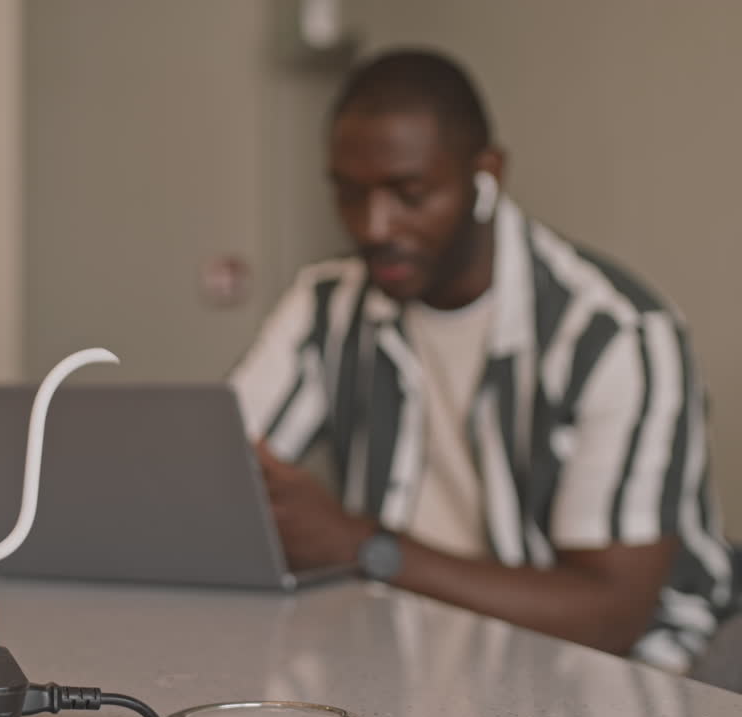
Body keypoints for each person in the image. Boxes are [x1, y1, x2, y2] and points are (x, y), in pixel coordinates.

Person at [228, 48, 736, 672]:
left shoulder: (616, 335)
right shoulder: (328, 301)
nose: (374, 226)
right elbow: (224, 477)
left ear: (487, 174)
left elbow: (609, 615)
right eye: (349, 195)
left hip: (619, 668)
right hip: (407, 638)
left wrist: (360, 546)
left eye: (409, 194)